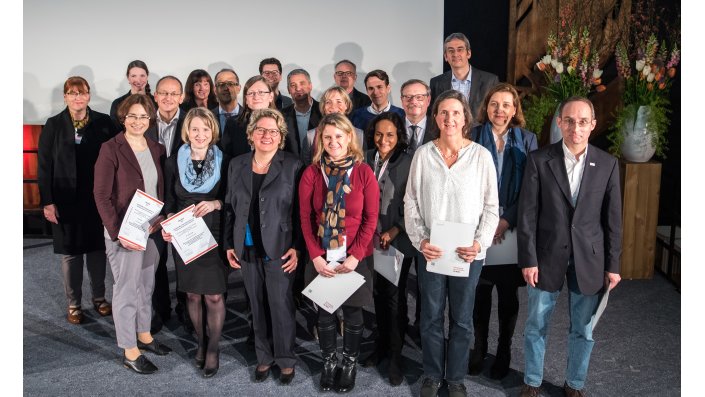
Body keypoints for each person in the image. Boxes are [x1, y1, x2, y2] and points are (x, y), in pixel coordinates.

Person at [517, 96, 622, 397]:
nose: (576, 127)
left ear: (593, 125)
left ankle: (574, 384)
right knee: (537, 324)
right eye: (570, 121)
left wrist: (613, 265)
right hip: (545, 257)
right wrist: (528, 258)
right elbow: (527, 215)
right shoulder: (539, 160)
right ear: (560, 122)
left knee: (583, 329)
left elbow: (613, 220)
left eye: (583, 121)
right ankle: (532, 381)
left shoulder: (607, 164)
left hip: (589, 260)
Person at [404, 90, 499, 397]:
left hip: (467, 254)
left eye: (455, 113)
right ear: (436, 118)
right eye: (443, 113)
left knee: (461, 318)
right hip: (431, 251)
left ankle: (455, 378)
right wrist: (421, 240)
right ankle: (432, 375)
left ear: (465, 118)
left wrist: (480, 243)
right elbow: (411, 202)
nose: (449, 118)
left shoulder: (481, 157)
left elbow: (491, 207)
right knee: (430, 317)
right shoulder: (423, 155)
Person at [299, 113, 379, 393]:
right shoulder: (311, 173)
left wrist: (356, 255)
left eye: (339, 136)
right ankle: (329, 362)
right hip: (322, 256)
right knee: (325, 315)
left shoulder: (363, 172)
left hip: (355, 257)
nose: (333, 142)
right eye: (328, 137)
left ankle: (349, 363)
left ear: (349, 138)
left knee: (354, 314)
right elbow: (306, 218)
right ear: (321, 140)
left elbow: (371, 218)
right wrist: (315, 256)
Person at [223, 108, 303, 385]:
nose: (266, 135)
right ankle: (264, 357)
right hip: (245, 246)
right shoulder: (237, 164)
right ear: (251, 135)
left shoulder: (293, 164)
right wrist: (228, 244)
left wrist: (297, 246)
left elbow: (300, 213)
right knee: (256, 304)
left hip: (280, 247)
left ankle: (285, 359)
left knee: (280, 305)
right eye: (261, 130)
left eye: (272, 131)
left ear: (280, 137)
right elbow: (230, 207)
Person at [94, 94, 171, 374]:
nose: (138, 121)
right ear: (123, 118)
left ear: (150, 119)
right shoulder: (110, 148)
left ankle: (144, 334)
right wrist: (117, 233)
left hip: (151, 229)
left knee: (146, 285)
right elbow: (101, 196)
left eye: (143, 116)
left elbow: (159, 189)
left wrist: (162, 218)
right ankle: (129, 349)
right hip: (124, 232)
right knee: (126, 289)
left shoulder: (157, 148)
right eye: (132, 116)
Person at [467, 83, 538, 379]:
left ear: (514, 109)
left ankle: (504, 350)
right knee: (479, 294)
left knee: (508, 296)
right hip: (477, 226)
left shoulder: (527, 139)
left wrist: (505, 221)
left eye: (506, 104)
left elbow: (531, 187)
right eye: (494, 104)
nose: (500, 110)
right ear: (487, 107)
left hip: (512, 229)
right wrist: (487, 223)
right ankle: (479, 347)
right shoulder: (471, 136)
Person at [38, 76, 118, 325]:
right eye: (72, 93)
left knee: (96, 250)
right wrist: (48, 201)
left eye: (81, 92)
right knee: (71, 254)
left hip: (96, 198)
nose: (77, 97)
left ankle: (99, 298)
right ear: (65, 97)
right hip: (64, 200)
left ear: (88, 95)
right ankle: (73, 304)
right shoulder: (53, 125)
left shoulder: (104, 123)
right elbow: (44, 166)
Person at [161, 108, 229, 378]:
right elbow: (168, 201)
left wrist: (215, 203)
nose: (200, 134)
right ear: (186, 132)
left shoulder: (226, 161)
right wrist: (167, 223)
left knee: (213, 295)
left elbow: (233, 200)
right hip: (184, 234)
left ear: (213, 131)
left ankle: (213, 348)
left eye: (205, 129)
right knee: (191, 294)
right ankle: (200, 342)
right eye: (195, 129)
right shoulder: (171, 162)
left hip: (213, 233)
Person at [361, 112, 414, 386]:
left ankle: (396, 356)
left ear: (399, 136)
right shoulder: (366, 157)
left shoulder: (409, 161)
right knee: (378, 295)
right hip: (369, 240)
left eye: (390, 135)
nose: (384, 140)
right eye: (379, 134)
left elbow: (417, 202)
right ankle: (381, 346)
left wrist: (395, 230)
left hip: (397, 241)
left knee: (395, 299)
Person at [144, 75, 188, 332]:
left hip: (184, 204)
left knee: (184, 261)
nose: (169, 98)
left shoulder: (192, 123)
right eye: (164, 93)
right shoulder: (144, 125)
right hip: (152, 203)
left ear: (181, 97)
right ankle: (161, 310)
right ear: (156, 96)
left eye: (174, 93)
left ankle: (185, 309)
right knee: (156, 261)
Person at [429, 33, 499, 119]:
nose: (455, 54)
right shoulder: (436, 83)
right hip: (448, 130)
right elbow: (433, 114)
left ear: (468, 53)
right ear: (446, 56)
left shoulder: (490, 81)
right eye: (451, 50)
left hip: (480, 131)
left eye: (460, 49)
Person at [301, 86, 365, 165]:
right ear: (323, 107)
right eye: (328, 102)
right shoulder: (311, 136)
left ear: (347, 105)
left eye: (339, 102)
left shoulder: (359, 135)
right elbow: (307, 166)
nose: (333, 106)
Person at [220, 75, 275, 158]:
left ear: (271, 96)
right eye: (251, 93)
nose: (256, 97)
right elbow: (226, 157)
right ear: (246, 99)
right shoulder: (233, 124)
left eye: (261, 92)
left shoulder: (282, 123)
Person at [350, 69, 405, 146]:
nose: (375, 92)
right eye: (371, 88)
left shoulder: (401, 114)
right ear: (367, 91)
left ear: (388, 88)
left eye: (379, 87)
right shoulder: (357, 115)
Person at [281, 68, 321, 158]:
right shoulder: (281, 116)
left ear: (310, 86)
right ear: (288, 90)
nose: (298, 88)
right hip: (291, 169)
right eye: (293, 85)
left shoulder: (324, 111)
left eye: (302, 83)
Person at [110, 60, 154, 127]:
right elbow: (115, 130)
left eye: (142, 76)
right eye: (133, 76)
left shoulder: (156, 102)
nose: (138, 80)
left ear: (147, 76)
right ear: (128, 78)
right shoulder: (117, 103)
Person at [400, 79, 434, 154]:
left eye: (419, 97)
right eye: (408, 97)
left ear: (428, 100)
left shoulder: (439, 128)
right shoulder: (393, 126)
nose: (414, 102)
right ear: (402, 101)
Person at [211, 68, 242, 133]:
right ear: (215, 90)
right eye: (221, 84)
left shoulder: (250, 117)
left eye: (230, 84)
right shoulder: (208, 117)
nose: (226, 88)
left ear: (238, 88)